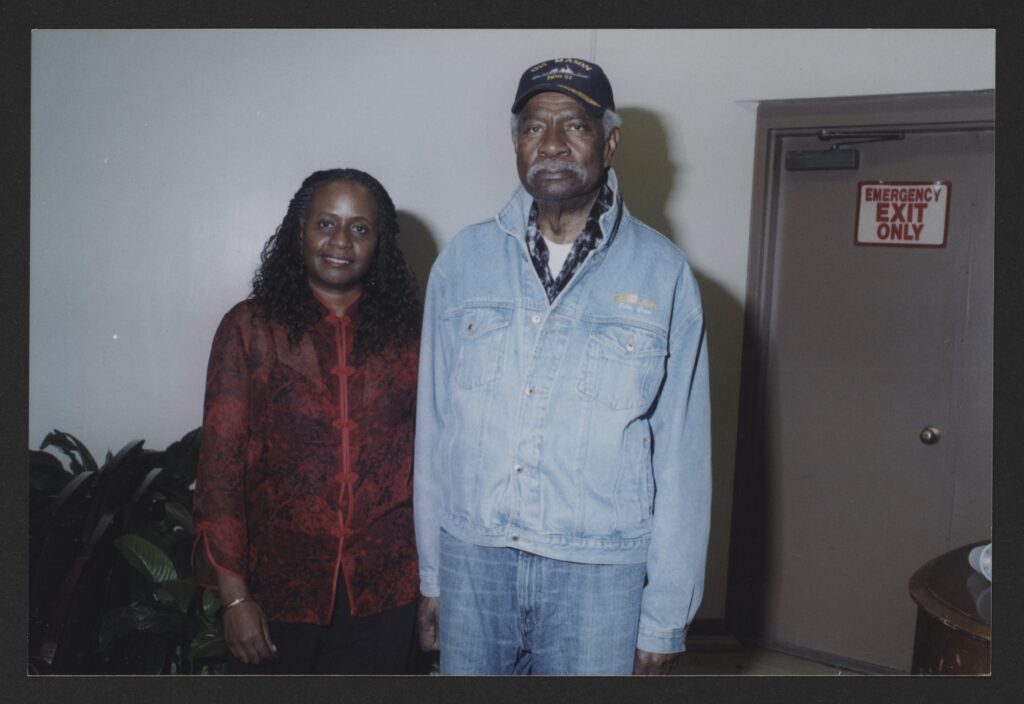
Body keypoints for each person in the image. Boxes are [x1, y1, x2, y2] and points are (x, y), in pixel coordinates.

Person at [413, 58, 711, 675]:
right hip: (475, 561)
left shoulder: (663, 272)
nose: (550, 144)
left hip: (599, 572)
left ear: (610, 141)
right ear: (516, 140)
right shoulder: (462, 262)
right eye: (532, 127)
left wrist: (664, 614)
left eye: (573, 126)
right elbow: (434, 431)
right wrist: (433, 574)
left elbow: (683, 458)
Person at [192, 168, 422, 674]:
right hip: (278, 593)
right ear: (300, 231)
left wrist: (438, 589)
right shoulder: (248, 329)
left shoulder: (413, 336)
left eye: (360, 228)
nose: (340, 241)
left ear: (380, 243)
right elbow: (220, 474)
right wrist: (234, 600)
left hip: (387, 594)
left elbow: (441, 466)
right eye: (325, 224)